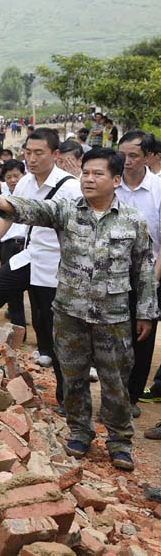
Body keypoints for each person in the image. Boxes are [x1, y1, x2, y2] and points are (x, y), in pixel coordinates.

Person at [0, 148, 158, 471]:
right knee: (73, 377)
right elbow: (35, 210)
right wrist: (3, 202)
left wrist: (145, 312)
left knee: (115, 381)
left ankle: (119, 442)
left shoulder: (133, 221)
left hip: (113, 318)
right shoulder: (67, 211)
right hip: (70, 313)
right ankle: (79, 431)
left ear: (116, 180)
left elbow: (143, 270)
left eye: (98, 173)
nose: (89, 179)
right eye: (85, 173)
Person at [0, 130, 81, 411]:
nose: (32, 158)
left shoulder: (69, 187)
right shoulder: (26, 181)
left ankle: (67, 399)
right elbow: (9, 216)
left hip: (56, 266)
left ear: (55, 155)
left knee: (52, 333)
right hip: (29, 257)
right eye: (28, 152)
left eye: (39, 153)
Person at [115, 131, 161, 419]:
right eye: (123, 156)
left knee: (142, 335)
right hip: (111, 274)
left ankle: (131, 396)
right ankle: (114, 394)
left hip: (151, 274)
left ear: (147, 157)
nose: (127, 161)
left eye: (133, 156)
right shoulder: (111, 184)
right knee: (112, 336)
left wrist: (152, 283)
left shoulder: (158, 189)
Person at [0, 159, 28, 324]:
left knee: (37, 292)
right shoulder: (0, 200)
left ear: (24, 176)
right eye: (8, 177)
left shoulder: (32, 199)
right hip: (8, 248)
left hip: (27, 247)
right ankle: (19, 332)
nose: (12, 180)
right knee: (13, 294)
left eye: (16, 176)